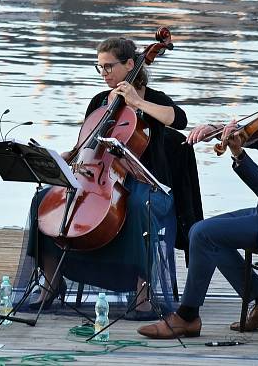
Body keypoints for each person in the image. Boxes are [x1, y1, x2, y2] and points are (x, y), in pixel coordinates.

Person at [138, 51, 258, 339]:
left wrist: (238, 153)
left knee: (203, 234)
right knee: (207, 235)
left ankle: (187, 317)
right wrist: (218, 130)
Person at [19, 37, 187, 318]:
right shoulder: (98, 101)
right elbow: (86, 146)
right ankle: (51, 283)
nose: (105, 73)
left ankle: (142, 293)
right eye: (100, 68)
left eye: (109, 67)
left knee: (136, 208)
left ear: (130, 64)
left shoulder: (153, 99)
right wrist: (65, 158)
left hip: (146, 186)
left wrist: (136, 102)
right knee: (44, 199)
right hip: (99, 178)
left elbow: (179, 120)